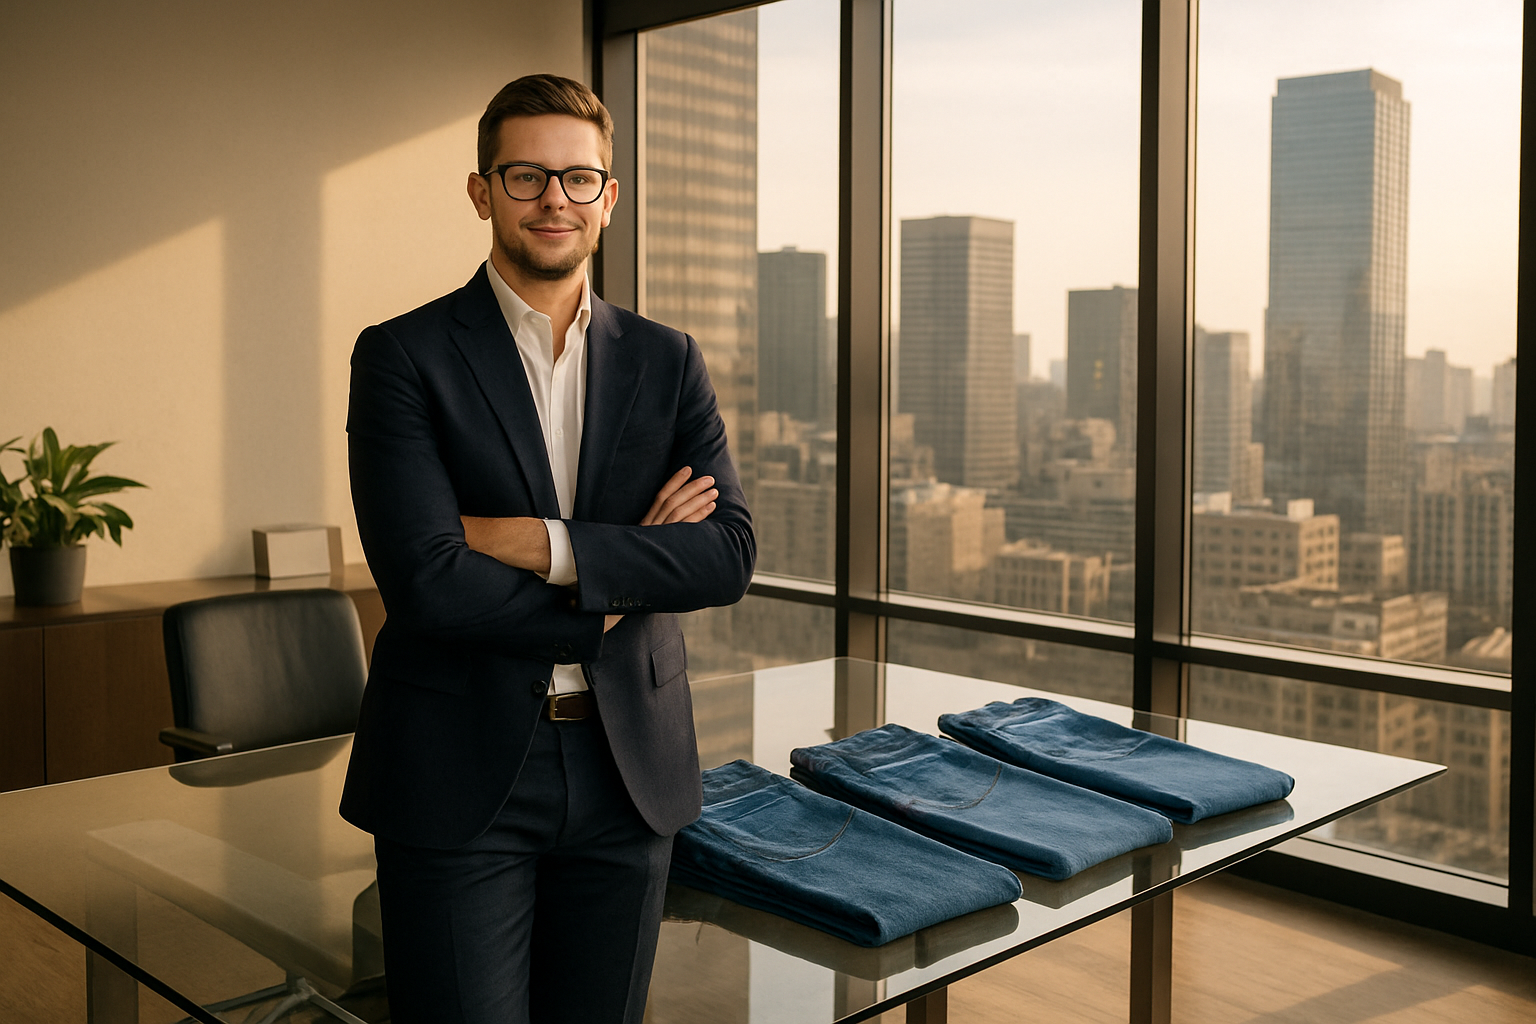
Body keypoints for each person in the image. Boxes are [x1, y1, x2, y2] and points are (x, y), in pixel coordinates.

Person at [339, 74, 755, 1024]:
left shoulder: (669, 358)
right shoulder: (402, 356)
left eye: (577, 179)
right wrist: (629, 565)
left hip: (629, 774)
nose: (553, 200)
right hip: (458, 772)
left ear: (610, 197)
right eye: (525, 176)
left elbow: (727, 555)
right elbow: (428, 584)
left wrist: (542, 545)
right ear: (482, 191)